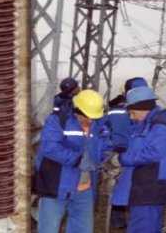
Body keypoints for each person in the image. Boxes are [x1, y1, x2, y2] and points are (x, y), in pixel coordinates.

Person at [33, 89, 111, 233]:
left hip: (85, 190)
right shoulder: (57, 121)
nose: (90, 120)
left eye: (93, 117)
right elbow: (50, 148)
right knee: (48, 229)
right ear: (77, 110)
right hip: (57, 187)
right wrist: (77, 160)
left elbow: (105, 147)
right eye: (87, 116)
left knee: (82, 229)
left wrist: (108, 159)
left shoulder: (98, 126)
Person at [110, 86, 166, 233]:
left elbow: (153, 153)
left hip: (150, 186)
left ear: (143, 109)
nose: (131, 117)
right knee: (147, 226)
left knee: (142, 227)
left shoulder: (159, 126)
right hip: (144, 184)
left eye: (133, 112)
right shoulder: (147, 125)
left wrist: (122, 159)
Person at [102, 76, 148, 230]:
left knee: (117, 185)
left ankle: (117, 217)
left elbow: (104, 129)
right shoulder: (146, 110)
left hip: (118, 151)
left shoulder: (113, 110)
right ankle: (137, 217)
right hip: (138, 152)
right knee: (138, 185)